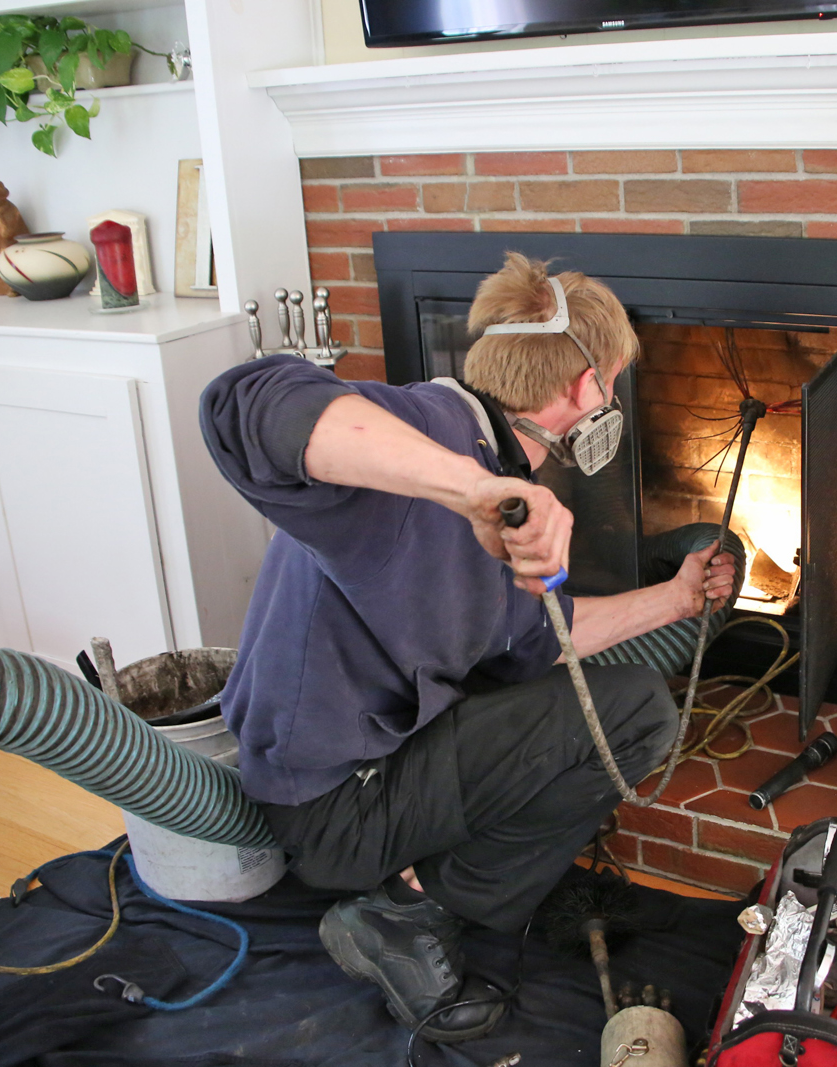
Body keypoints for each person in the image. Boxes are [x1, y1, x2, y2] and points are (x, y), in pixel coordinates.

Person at [199, 253, 736, 1042]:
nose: (611, 402)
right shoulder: (433, 438)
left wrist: (678, 599)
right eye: (613, 383)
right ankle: (406, 914)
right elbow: (247, 403)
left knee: (587, 706)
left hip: (381, 760)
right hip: (333, 805)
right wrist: (469, 490)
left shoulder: (498, 472)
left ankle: (445, 877)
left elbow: (545, 641)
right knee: (635, 715)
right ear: (585, 387)